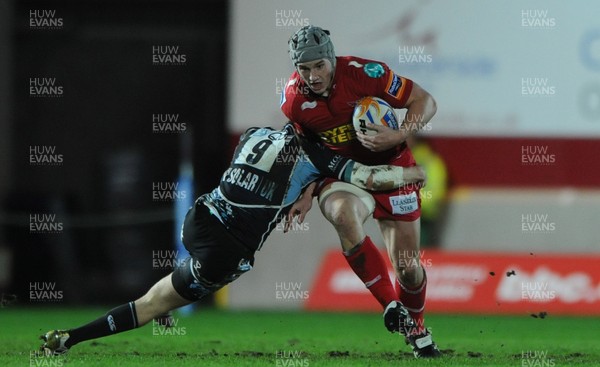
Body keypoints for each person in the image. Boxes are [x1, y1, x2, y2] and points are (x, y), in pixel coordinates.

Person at [39, 123, 425, 356]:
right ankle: (75, 336)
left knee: (152, 302)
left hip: (198, 220)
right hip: (226, 251)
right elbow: (371, 180)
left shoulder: (254, 133)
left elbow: (267, 173)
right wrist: (410, 175)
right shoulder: (317, 156)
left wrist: (302, 192)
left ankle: (67, 339)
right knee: (155, 305)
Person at [281, 25, 440, 357]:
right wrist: (307, 191)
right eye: (304, 68)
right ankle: (393, 309)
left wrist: (398, 135)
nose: (312, 76)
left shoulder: (369, 74)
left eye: (318, 66)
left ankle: (418, 325)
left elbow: (425, 101)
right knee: (342, 213)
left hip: (392, 172)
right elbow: (308, 148)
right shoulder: (295, 101)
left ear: (331, 58)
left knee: (409, 269)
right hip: (344, 177)